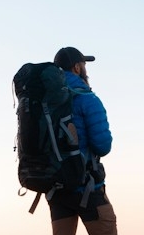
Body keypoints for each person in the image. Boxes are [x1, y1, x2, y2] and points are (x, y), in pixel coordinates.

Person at [48, 47, 117, 235]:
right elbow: (102, 145)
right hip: (86, 185)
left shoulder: (46, 102)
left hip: (56, 189)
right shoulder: (87, 98)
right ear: (77, 68)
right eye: (84, 65)